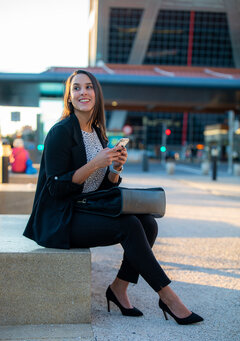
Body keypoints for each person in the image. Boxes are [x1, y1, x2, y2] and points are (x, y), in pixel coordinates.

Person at [23, 70, 203, 325]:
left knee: (148, 223)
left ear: (96, 94)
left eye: (88, 87)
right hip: (60, 218)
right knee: (128, 226)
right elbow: (55, 188)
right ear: (69, 97)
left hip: (86, 207)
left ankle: (119, 288)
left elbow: (102, 189)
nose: (83, 92)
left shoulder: (97, 132)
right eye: (76, 88)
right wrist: (95, 163)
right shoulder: (61, 132)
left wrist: (115, 168)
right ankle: (168, 297)